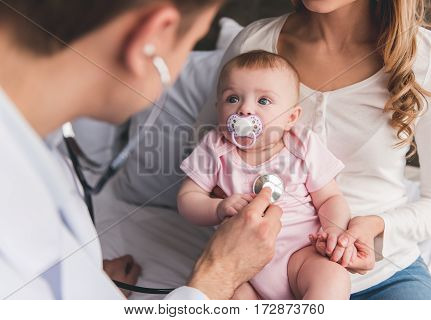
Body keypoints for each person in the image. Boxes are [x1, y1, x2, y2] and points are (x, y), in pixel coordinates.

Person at [0, 0, 283, 300]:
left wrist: (90, 290)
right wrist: (218, 275)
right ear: (150, 40)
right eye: (191, 42)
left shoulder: (42, 148)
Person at [195, 0, 431, 299]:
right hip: (253, 274)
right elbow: (206, 160)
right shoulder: (255, 45)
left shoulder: (427, 58)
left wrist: (375, 228)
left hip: (382, 276)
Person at [178, 50, 353, 300]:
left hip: (301, 255)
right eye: (233, 98)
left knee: (333, 277)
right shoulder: (215, 147)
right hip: (239, 265)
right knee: (230, 297)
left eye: (263, 101)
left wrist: (334, 229)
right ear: (218, 110)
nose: (245, 110)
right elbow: (188, 198)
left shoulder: (302, 145)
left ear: (291, 117)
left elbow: (329, 199)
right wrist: (217, 207)